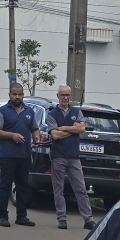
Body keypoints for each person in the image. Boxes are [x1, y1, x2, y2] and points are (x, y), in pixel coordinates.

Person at [0, 81, 40, 227]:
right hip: (7, 154)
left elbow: (34, 128)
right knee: (5, 185)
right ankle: (3, 216)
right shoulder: (2, 111)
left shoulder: (29, 111)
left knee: (23, 185)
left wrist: (37, 137)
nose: (17, 97)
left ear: (23, 95)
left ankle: (22, 216)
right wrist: (12, 135)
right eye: (15, 94)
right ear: (9, 95)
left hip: (24, 154)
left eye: (20, 94)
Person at [47, 85, 96, 231]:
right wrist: (72, 129)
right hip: (58, 157)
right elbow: (55, 135)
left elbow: (81, 128)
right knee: (58, 189)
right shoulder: (52, 114)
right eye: (62, 95)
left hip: (74, 157)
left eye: (67, 95)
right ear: (58, 96)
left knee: (80, 188)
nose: (65, 98)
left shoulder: (76, 111)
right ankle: (62, 218)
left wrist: (63, 128)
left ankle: (88, 219)